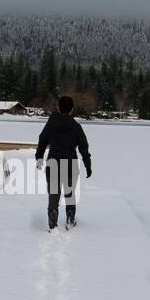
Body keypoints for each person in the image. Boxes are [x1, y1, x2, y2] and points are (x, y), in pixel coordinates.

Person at [36, 95, 92, 230]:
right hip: (70, 163)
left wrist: (39, 157)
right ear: (72, 109)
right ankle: (70, 219)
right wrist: (87, 165)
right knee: (70, 193)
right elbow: (83, 147)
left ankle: (52, 222)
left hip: (53, 162)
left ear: (58, 108)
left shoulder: (51, 124)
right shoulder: (76, 126)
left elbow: (42, 140)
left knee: (54, 193)